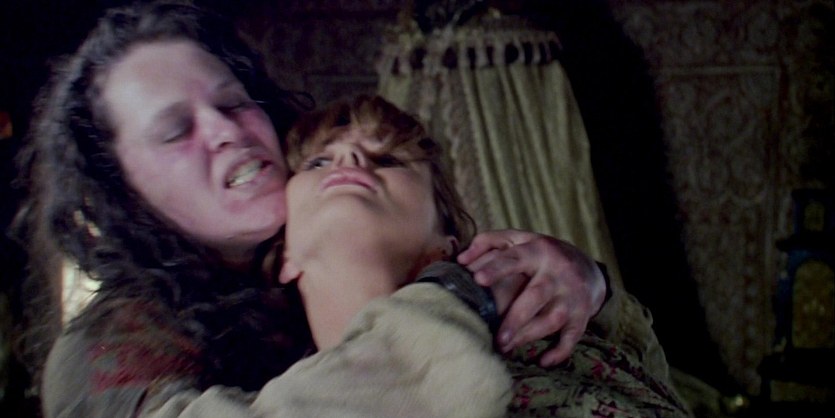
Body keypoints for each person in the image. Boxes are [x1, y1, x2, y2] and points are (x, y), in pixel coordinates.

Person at [12, 1, 640, 417]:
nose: (226, 131)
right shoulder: (108, 348)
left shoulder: (345, 229)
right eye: (176, 131)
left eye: (233, 103)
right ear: (121, 193)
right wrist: (454, 296)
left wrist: (589, 285)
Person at [279, 94, 690, 417]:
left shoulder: (541, 342)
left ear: (444, 245)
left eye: (386, 160)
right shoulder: (267, 403)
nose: (349, 160)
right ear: (286, 257)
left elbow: (656, 382)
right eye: (318, 162)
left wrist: (600, 295)